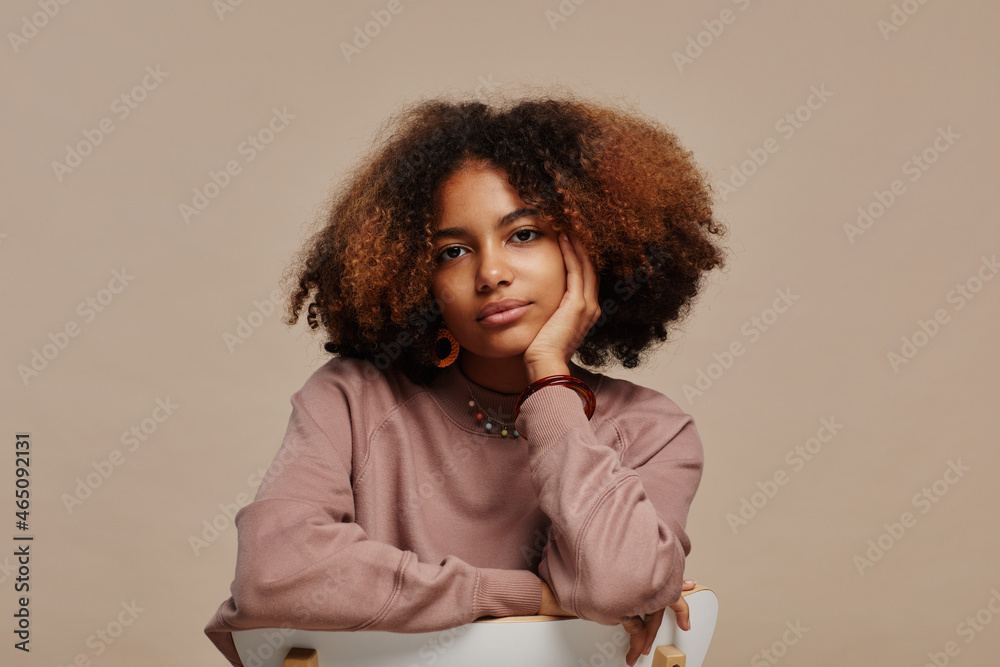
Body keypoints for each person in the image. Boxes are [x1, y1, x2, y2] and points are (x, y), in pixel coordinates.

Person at [204, 90, 727, 667]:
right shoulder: (353, 397)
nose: (491, 273)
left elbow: (616, 586)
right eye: (453, 251)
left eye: (524, 234)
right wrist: (529, 597)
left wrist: (550, 383)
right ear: (414, 275)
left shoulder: (653, 430)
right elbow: (273, 575)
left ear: (589, 247)